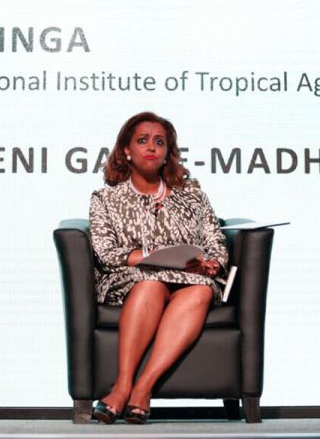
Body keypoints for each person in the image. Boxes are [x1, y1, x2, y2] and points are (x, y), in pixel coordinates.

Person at [88, 111, 228, 425]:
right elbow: (106, 252)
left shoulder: (192, 194)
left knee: (201, 291)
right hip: (133, 278)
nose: (151, 146)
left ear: (168, 153)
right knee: (151, 284)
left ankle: (143, 387)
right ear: (126, 150)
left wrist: (213, 262)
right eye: (142, 140)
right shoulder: (106, 199)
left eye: (159, 142)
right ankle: (122, 385)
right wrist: (150, 256)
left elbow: (215, 238)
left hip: (189, 278)